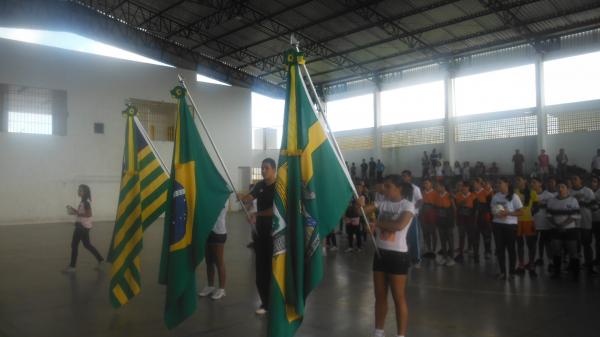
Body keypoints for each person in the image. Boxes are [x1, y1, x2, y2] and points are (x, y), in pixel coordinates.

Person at [357, 175, 414, 337]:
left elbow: (399, 225)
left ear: (399, 188)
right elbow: (360, 212)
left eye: (388, 186)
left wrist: (376, 224)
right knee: (380, 297)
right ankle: (378, 332)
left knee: (398, 297)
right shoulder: (382, 203)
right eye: (384, 186)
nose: (384, 189)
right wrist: (359, 204)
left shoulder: (408, 206)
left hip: (398, 256)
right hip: (380, 253)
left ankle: (401, 335)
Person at [237, 158, 276, 315]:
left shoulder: (279, 187)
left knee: (274, 269)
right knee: (261, 270)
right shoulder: (260, 185)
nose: (263, 170)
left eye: (266, 168)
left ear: (273, 169)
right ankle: (265, 303)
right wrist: (242, 196)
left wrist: (257, 214)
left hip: (275, 235)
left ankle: (277, 302)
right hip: (260, 235)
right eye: (262, 168)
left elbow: (275, 210)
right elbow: (250, 197)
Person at [62, 184, 104, 273]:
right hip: (84, 226)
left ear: (85, 193)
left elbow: (89, 214)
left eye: (80, 190)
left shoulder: (86, 203)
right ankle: (101, 260)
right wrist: (74, 211)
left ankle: (72, 267)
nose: (78, 191)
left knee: (74, 245)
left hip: (81, 227)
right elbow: (81, 213)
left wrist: (77, 213)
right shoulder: (82, 202)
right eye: (78, 190)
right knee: (87, 244)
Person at [491, 177, 523, 280]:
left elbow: (521, 212)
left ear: (507, 184)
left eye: (500, 183)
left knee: (511, 249)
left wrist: (508, 213)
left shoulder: (514, 197)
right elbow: (492, 209)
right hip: (497, 225)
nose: (498, 185)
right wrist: (496, 212)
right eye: (497, 183)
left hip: (510, 226)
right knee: (500, 249)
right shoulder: (495, 196)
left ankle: (512, 272)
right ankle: (502, 272)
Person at [547, 180, 580, 279]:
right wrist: (557, 225)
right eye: (559, 187)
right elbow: (549, 215)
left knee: (573, 252)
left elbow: (575, 215)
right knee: (556, 251)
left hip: (570, 230)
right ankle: (557, 272)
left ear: (567, 189)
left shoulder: (573, 200)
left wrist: (563, 225)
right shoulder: (551, 201)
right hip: (556, 229)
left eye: (563, 187)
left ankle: (575, 274)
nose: (560, 189)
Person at [198, 199, 230, 300]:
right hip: (208, 230)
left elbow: (214, 209)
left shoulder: (223, 196)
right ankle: (210, 286)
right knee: (209, 261)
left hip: (219, 232)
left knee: (219, 261)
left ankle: (221, 289)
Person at [570, 174, 596, 275]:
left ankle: (589, 266)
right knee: (574, 245)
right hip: (573, 223)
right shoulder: (569, 192)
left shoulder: (588, 191)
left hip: (585, 221)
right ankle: (575, 266)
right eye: (572, 179)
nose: (573, 181)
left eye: (576, 178)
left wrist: (582, 203)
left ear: (581, 180)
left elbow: (594, 206)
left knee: (587, 245)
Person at [514, 176, 539, 277]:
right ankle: (521, 265)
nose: (518, 181)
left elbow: (537, 205)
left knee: (531, 245)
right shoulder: (514, 192)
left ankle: (532, 265)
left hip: (528, 220)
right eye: (517, 180)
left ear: (525, 181)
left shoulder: (532, 192)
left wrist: (532, 211)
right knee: (519, 244)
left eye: (519, 179)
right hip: (517, 221)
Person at [531, 177, 555, 268]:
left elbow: (553, 208)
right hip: (534, 223)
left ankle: (551, 262)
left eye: (534, 182)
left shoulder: (549, 195)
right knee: (533, 244)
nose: (532, 184)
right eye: (531, 183)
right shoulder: (530, 195)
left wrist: (542, 204)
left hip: (546, 224)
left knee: (548, 244)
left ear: (540, 183)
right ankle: (534, 261)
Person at [401, 170, 423, 267]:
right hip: (402, 215)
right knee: (403, 237)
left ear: (410, 177)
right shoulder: (400, 188)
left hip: (412, 216)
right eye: (402, 176)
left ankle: (416, 259)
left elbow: (420, 201)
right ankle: (406, 257)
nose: (404, 178)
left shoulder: (415, 188)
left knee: (414, 238)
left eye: (405, 176)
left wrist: (412, 209)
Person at [455, 181, 476, 263]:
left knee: (471, 236)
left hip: (470, 220)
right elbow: (456, 206)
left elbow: (475, 210)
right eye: (463, 186)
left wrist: (474, 221)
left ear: (469, 188)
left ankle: (471, 250)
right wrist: (460, 204)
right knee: (461, 236)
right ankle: (460, 254)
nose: (464, 188)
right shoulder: (458, 196)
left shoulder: (473, 196)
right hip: (461, 219)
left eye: (465, 187)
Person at [434, 182, 455, 266]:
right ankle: (445, 257)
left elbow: (454, 208)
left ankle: (451, 258)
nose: (436, 188)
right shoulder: (436, 195)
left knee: (450, 239)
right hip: (440, 221)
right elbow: (436, 208)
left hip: (448, 221)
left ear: (443, 187)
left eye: (437, 186)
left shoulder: (450, 195)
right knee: (442, 239)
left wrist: (453, 220)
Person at [473, 178, 493, 261]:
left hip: (484, 217)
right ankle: (476, 254)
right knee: (475, 237)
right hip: (475, 218)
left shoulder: (486, 193)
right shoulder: (472, 193)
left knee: (486, 236)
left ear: (479, 184)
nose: (474, 185)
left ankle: (487, 251)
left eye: (475, 183)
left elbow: (490, 206)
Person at [420, 178, 437, 259]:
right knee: (425, 233)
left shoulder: (435, 193)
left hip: (432, 214)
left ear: (431, 184)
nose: (425, 185)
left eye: (427, 183)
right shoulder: (422, 193)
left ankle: (433, 250)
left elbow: (436, 205)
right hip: (423, 214)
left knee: (433, 232)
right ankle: (429, 249)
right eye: (424, 183)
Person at [590, 176, 600, 268]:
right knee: (597, 241)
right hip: (594, 220)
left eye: (595, 181)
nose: (593, 183)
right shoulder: (592, 192)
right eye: (592, 181)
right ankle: (597, 258)